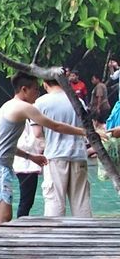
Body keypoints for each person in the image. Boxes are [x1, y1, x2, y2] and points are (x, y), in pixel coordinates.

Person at [0, 72, 85, 226]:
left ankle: (0, 247)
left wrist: (30, 156)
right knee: (4, 219)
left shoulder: (7, 105)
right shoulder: (24, 107)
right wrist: (85, 132)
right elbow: (55, 125)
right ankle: (1, 248)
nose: (38, 92)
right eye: (35, 89)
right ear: (24, 90)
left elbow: (6, 144)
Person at [34, 77, 93, 218]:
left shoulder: (41, 102)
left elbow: (37, 133)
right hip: (79, 154)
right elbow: (85, 128)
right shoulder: (78, 101)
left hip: (55, 155)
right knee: (81, 201)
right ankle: (85, 235)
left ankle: (54, 237)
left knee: (55, 201)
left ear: (45, 83)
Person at [12, 120, 45, 218]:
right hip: (26, 166)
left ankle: (21, 221)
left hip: (27, 165)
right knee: (26, 200)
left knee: (27, 200)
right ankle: (20, 222)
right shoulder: (23, 123)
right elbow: (25, 144)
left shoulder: (23, 122)